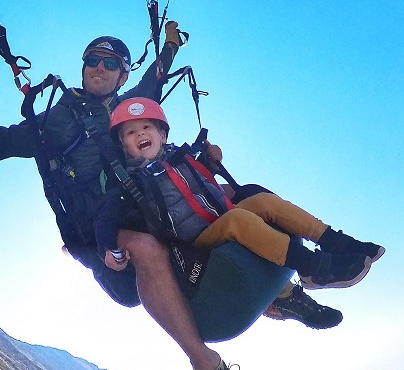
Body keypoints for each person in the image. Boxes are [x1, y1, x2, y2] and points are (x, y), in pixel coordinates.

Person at [0, 31, 339, 370]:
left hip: (155, 209)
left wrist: (170, 44)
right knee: (148, 247)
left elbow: (156, 79)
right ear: (83, 65)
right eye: (93, 59)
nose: (100, 68)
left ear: (122, 73)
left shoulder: (127, 110)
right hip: (105, 235)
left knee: (240, 199)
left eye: (112, 64)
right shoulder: (53, 122)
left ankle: (285, 294)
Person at [101, 98, 384, 292]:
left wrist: (212, 159)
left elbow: (204, 179)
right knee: (238, 219)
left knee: (264, 202)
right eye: (131, 133)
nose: (140, 134)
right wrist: (107, 250)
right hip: (196, 241)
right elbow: (106, 218)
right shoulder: (131, 183)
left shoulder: (182, 156)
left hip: (220, 215)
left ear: (162, 134)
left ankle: (335, 242)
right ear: (124, 146)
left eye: (147, 127)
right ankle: (312, 268)